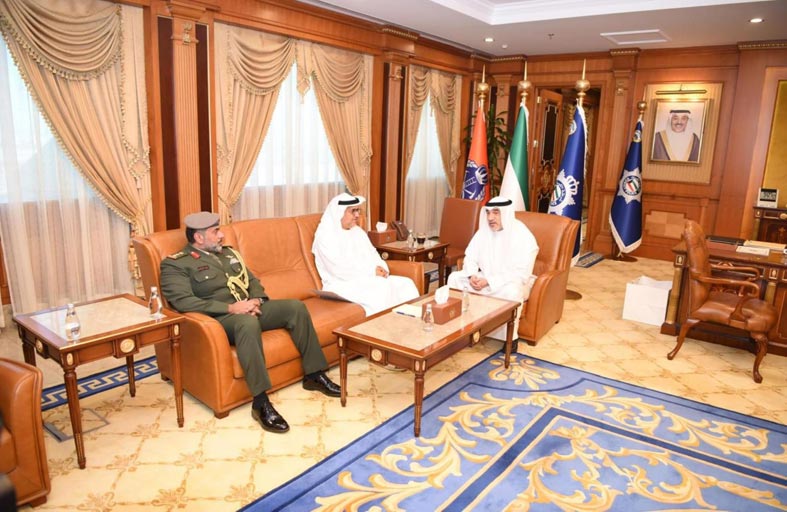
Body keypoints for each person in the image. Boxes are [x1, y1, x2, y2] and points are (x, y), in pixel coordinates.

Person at [159, 212, 340, 434]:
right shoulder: (176, 264)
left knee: (295, 308)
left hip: (248, 308)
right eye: (216, 232)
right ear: (199, 237)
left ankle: (314, 375)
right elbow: (183, 302)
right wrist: (231, 308)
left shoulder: (228, 253)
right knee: (247, 323)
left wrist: (256, 300)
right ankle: (261, 402)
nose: (221, 235)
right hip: (220, 319)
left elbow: (252, 280)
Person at [447, 196, 539, 341]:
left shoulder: (523, 236)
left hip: (510, 283)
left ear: (506, 213)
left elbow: (521, 274)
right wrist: (472, 275)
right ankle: (461, 329)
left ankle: (509, 338)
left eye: (496, 213)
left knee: (512, 292)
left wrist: (489, 281)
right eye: (488, 212)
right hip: (483, 278)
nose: (490, 218)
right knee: (454, 278)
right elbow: (470, 257)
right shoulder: (483, 231)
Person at [313, 193, 419, 316]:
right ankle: (381, 327)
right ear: (339, 212)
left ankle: (410, 324)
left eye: (358, 210)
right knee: (381, 288)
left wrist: (382, 268)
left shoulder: (357, 231)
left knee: (406, 284)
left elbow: (373, 253)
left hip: (366, 278)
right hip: (341, 284)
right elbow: (339, 269)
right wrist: (372, 272)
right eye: (353, 211)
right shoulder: (325, 237)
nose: (357, 215)